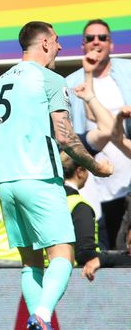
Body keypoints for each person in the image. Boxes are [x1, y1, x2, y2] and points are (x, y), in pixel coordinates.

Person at [0, 21, 113, 330]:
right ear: (43, 43)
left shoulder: (0, 82)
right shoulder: (49, 79)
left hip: (6, 184)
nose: (60, 48)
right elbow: (65, 136)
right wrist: (96, 166)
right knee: (63, 255)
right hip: (39, 178)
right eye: (57, 42)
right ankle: (42, 318)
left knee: (31, 264)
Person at [66, 19, 131, 250]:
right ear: (82, 45)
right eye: (90, 38)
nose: (96, 42)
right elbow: (81, 127)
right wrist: (88, 74)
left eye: (102, 37)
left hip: (127, 182)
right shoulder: (71, 83)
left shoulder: (128, 73)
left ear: (111, 45)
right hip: (93, 183)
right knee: (99, 252)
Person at [60, 152, 131, 281]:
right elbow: (84, 253)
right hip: (72, 279)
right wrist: (105, 259)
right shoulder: (79, 205)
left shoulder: (48, 200)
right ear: (80, 171)